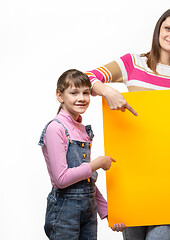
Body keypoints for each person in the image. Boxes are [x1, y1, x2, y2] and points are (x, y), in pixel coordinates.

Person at [85, 8, 170, 240]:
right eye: (168, 28)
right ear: (158, 30)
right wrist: (108, 91)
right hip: (134, 177)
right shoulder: (133, 63)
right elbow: (86, 77)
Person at [38, 69, 116, 239]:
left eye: (86, 93)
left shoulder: (82, 130)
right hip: (65, 210)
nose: (81, 98)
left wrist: (106, 210)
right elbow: (62, 179)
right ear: (60, 96)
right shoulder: (56, 128)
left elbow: (84, 179)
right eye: (74, 92)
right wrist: (98, 163)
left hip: (88, 209)